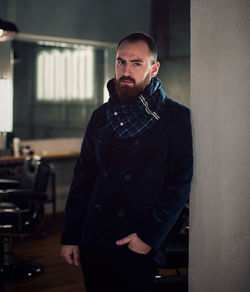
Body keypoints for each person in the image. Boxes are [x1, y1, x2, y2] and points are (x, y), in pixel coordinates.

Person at [60, 32, 193, 292]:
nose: (126, 71)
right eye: (121, 62)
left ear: (153, 68)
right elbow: (83, 179)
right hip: (95, 239)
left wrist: (148, 237)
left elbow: (179, 185)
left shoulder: (176, 117)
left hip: (137, 240)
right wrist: (72, 236)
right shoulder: (101, 115)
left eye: (136, 63)